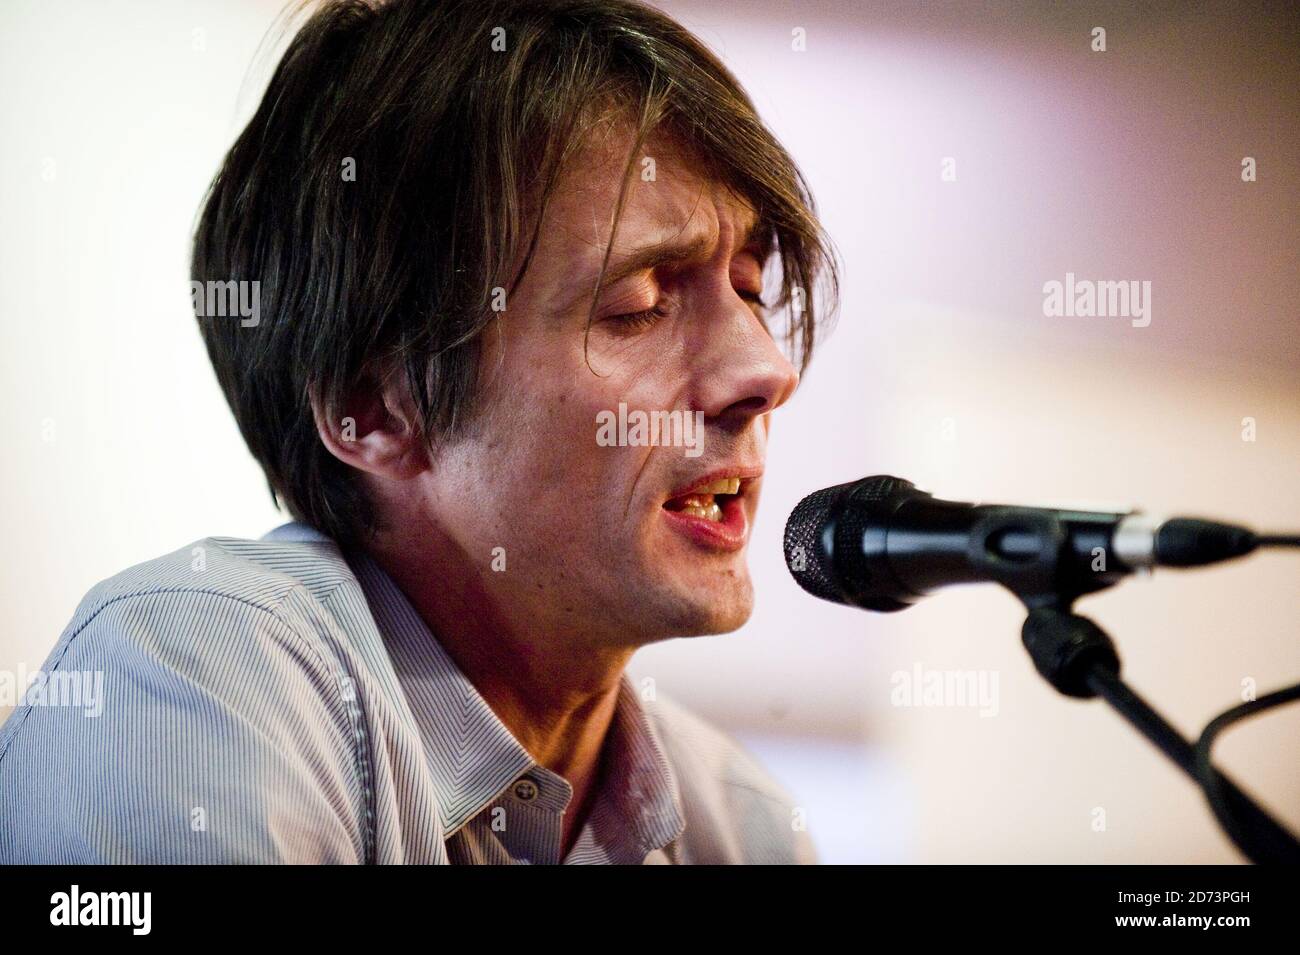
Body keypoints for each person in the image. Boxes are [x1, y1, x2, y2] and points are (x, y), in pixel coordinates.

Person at [0, 0, 837, 864]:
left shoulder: (746, 825)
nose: (765, 370)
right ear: (374, 409)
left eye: (748, 287)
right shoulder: (196, 679)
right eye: (638, 305)